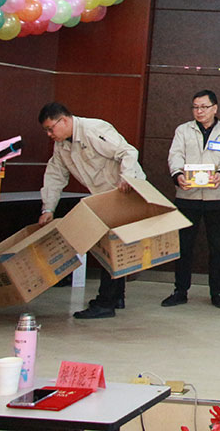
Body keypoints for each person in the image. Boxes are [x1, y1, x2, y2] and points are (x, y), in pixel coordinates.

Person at [38, 102, 145, 320]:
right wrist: (48, 207)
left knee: (110, 248)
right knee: (115, 247)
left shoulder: (94, 129)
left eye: (51, 128)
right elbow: (55, 175)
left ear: (64, 120)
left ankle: (105, 303)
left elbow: (128, 151)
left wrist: (127, 178)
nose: (49, 134)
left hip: (125, 192)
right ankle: (116, 297)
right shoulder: (62, 145)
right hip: (105, 197)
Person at [163, 89, 220, 310]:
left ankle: (218, 292)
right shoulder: (183, 130)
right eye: (195, 107)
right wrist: (177, 174)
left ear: (215, 108)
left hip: (217, 197)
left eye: (204, 107)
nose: (199, 111)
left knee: (217, 247)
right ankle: (180, 291)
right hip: (187, 196)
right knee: (184, 246)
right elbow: (175, 154)